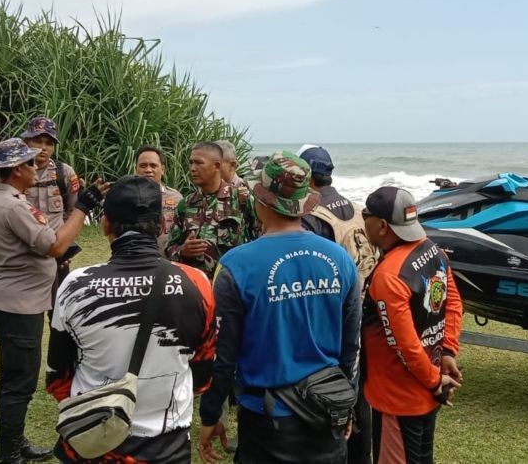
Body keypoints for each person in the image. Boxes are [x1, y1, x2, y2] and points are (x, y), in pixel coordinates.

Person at [198, 151, 361, 464]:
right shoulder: (340, 260)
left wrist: (210, 414)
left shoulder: (236, 265)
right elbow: (350, 348)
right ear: (303, 204)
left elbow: (223, 355)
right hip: (327, 414)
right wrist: (347, 403)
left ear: (261, 202)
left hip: (266, 422)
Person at [46, 175, 216, 463]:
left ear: (106, 225)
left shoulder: (76, 284)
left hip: (94, 442)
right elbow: (203, 371)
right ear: (162, 226)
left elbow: (58, 375)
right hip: (167, 444)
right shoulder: (197, 283)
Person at [0, 138, 107, 464]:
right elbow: (55, 246)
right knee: (19, 382)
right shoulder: (14, 206)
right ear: (18, 169)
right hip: (17, 306)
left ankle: (13, 442)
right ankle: (8, 456)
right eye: (30, 163)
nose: (36, 167)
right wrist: (83, 207)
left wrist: (23, 256)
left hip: (7, 300)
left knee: (12, 377)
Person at [360, 186, 463, 464]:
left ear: (381, 226)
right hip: (428, 385)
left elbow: (404, 345)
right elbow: (453, 304)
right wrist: (448, 353)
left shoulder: (389, 276)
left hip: (398, 396)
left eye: (365, 214)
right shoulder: (434, 251)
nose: (362, 220)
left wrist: (434, 382)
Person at [297, 144, 378, 464]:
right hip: (367, 308)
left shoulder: (313, 216)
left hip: (335, 316)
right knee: (361, 394)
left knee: (337, 391)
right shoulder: (358, 209)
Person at [165, 142, 258, 279]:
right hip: (197, 287)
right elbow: (169, 248)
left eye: (199, 163)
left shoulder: (241, 200)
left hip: (233, 285)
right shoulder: (186, 204)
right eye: (191, 163)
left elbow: (261, 241)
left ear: (217, 166)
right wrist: (182, 251)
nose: (192, 168)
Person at [21, 116, 80, 301]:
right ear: (26, 142)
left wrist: (65, 247)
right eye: (38, 141)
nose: (43, 147)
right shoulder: (16, 173)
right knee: (27, 310)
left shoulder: (65, 173)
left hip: (57, 255)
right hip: (26, 256)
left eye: (49, 143)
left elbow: (73, 212)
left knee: (59, 313)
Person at [134, 145, 183, 250]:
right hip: (136, 260)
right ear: (135, 169)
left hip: (168, 261)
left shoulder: (176, 198)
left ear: (162, 169)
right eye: (143, 166)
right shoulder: (127, 197)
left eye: (153, 165)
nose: (148, 170)